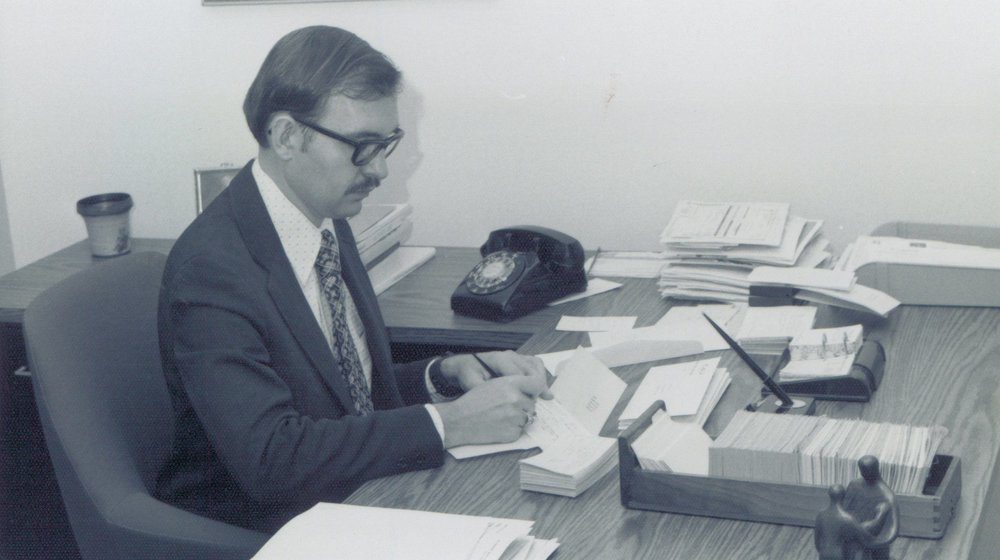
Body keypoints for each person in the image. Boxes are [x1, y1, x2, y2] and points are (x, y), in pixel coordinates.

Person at [155, 25, 550, 533]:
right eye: (363, 147)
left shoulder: (323, 222)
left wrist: (445, 376)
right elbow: (271, 460)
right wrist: (451, 424)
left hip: (350, 495)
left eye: (387, 144)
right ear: (286, 136)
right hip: (265, 529)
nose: (381, 169)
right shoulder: (212, 271)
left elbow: (349, 395)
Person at [843, 455, 899, 559]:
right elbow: (844, 511)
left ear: (876, 469)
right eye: (863, 470)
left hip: (876, 542)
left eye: (867, 470)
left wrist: (870, 542)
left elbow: (892, 531)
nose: (864, 473)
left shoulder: (888, 496)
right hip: (854, 540)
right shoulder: (854, 485)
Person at [814, 484, 888, 560]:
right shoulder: (847, 518)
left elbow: (817, 542)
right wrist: (881, 513)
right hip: (838, 555)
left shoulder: (820, 515)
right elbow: (866, 538)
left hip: (823, 554)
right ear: (843, 496)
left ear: (829, 495)